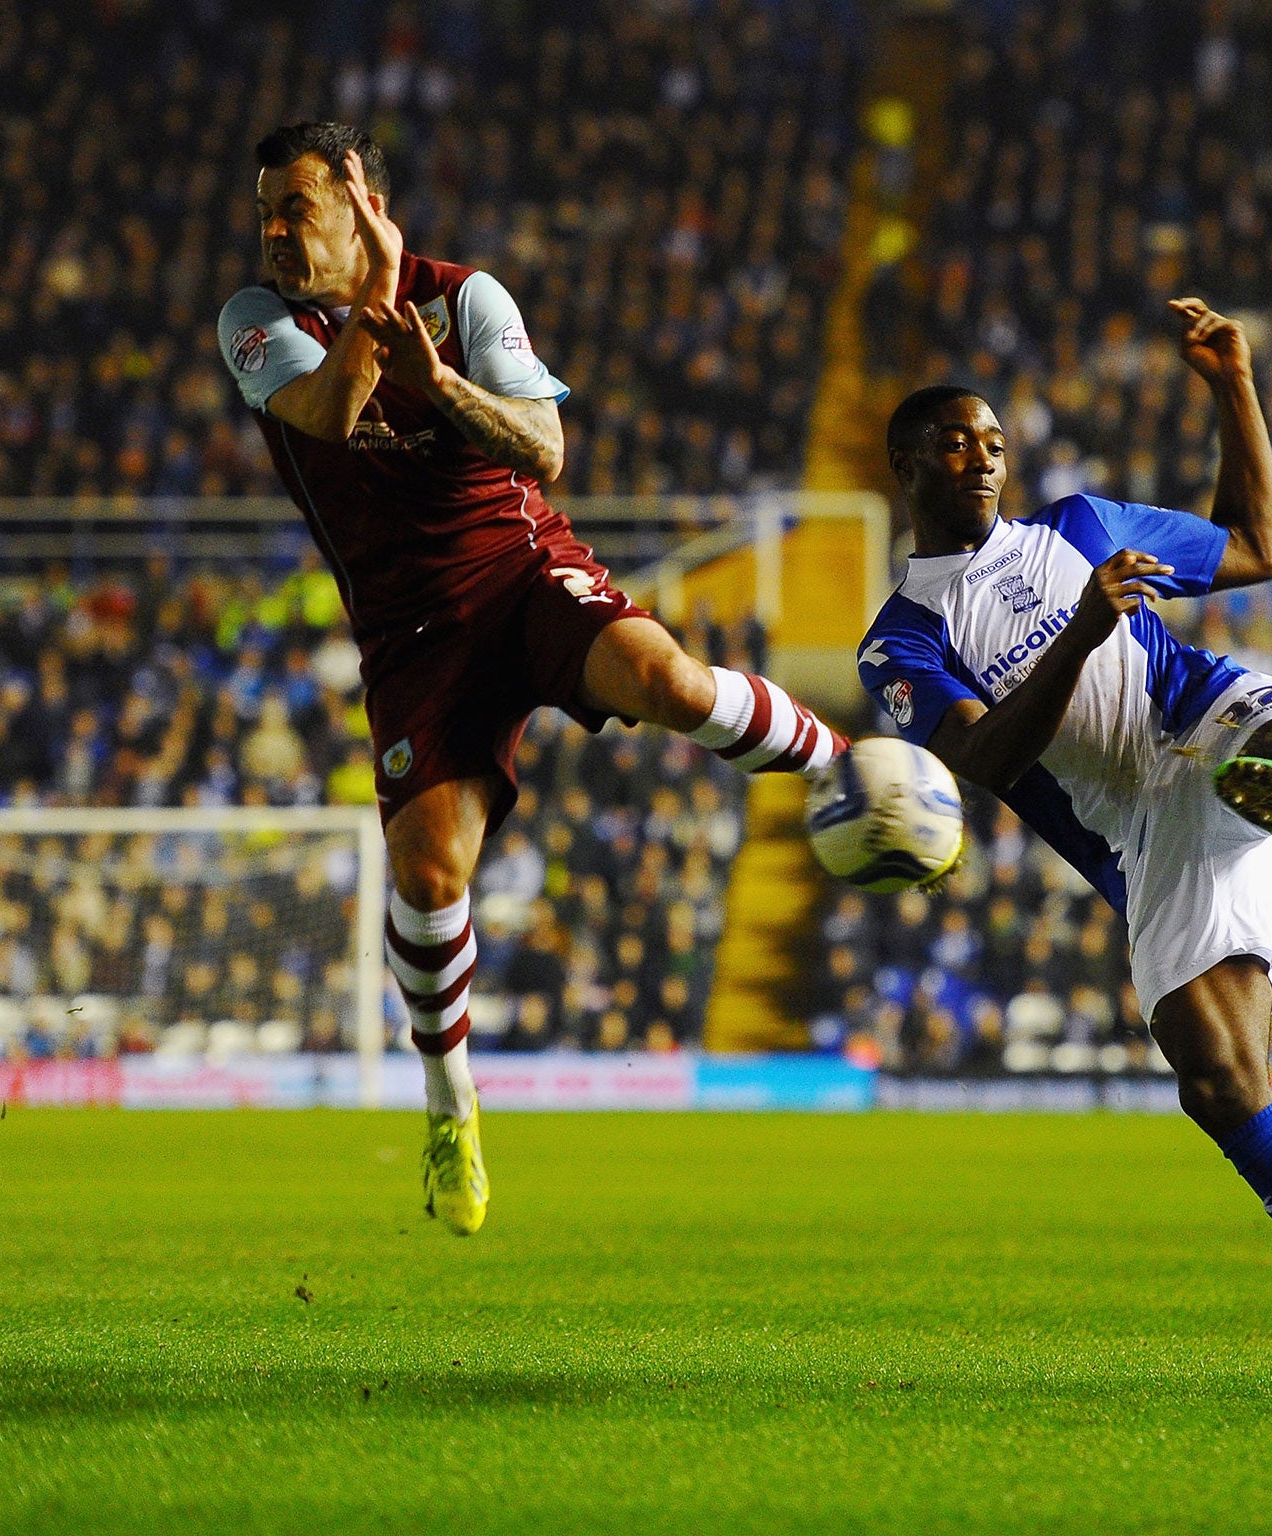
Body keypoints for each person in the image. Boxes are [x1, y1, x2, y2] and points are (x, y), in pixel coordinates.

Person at [217, 123, 845, 1236]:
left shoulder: (470, 300)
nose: (272, 230)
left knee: (677, 688)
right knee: (426, 878)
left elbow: (543, 451)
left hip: (521, 572)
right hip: (410, 635)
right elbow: (324, 416)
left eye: (296, 207)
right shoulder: (256, 323)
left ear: (362, 206)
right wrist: (376, 332)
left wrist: (439, 380)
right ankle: (450, 1099)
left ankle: (845, 766)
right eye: (265, 207)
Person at [857, 299, 1272, 1397]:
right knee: (1220, 1083)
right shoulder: (900, 641)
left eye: (996, 441)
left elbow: (1253, 548)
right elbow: (989, 760)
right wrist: (1085, 632)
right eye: (957, 441)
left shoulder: (1079, 527)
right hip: (1134, 832)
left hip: (1197, 718)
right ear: (903, 463)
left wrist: (1230, 382)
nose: (984, 458)